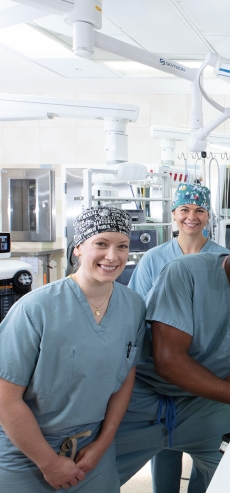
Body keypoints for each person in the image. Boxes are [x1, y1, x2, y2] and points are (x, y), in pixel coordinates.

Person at [116, 211, 230, 489]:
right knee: (86, 479)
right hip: (141, 401)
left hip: (198, 406)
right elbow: (169, 362)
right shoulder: (184, 273)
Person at [0, 207, 145, 492]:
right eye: (101, 244)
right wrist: (49, 463)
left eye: (122, 246)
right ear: (78, 247)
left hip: (92, 452)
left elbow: (126, 375)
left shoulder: (133, 306)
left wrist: (102, 444)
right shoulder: (35, 309)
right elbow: (6, 401)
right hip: (26, 453)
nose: (112, 256)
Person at [129, 182, 228, 493]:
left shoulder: (223, 259)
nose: (192, 216)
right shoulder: (153, 260)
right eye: (185, 209)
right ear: (174, 214)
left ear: (208, 215)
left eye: (199, 210)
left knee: (209, 451)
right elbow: (136, 313)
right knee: (164, 443)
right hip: (160, 369)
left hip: (208, 369)